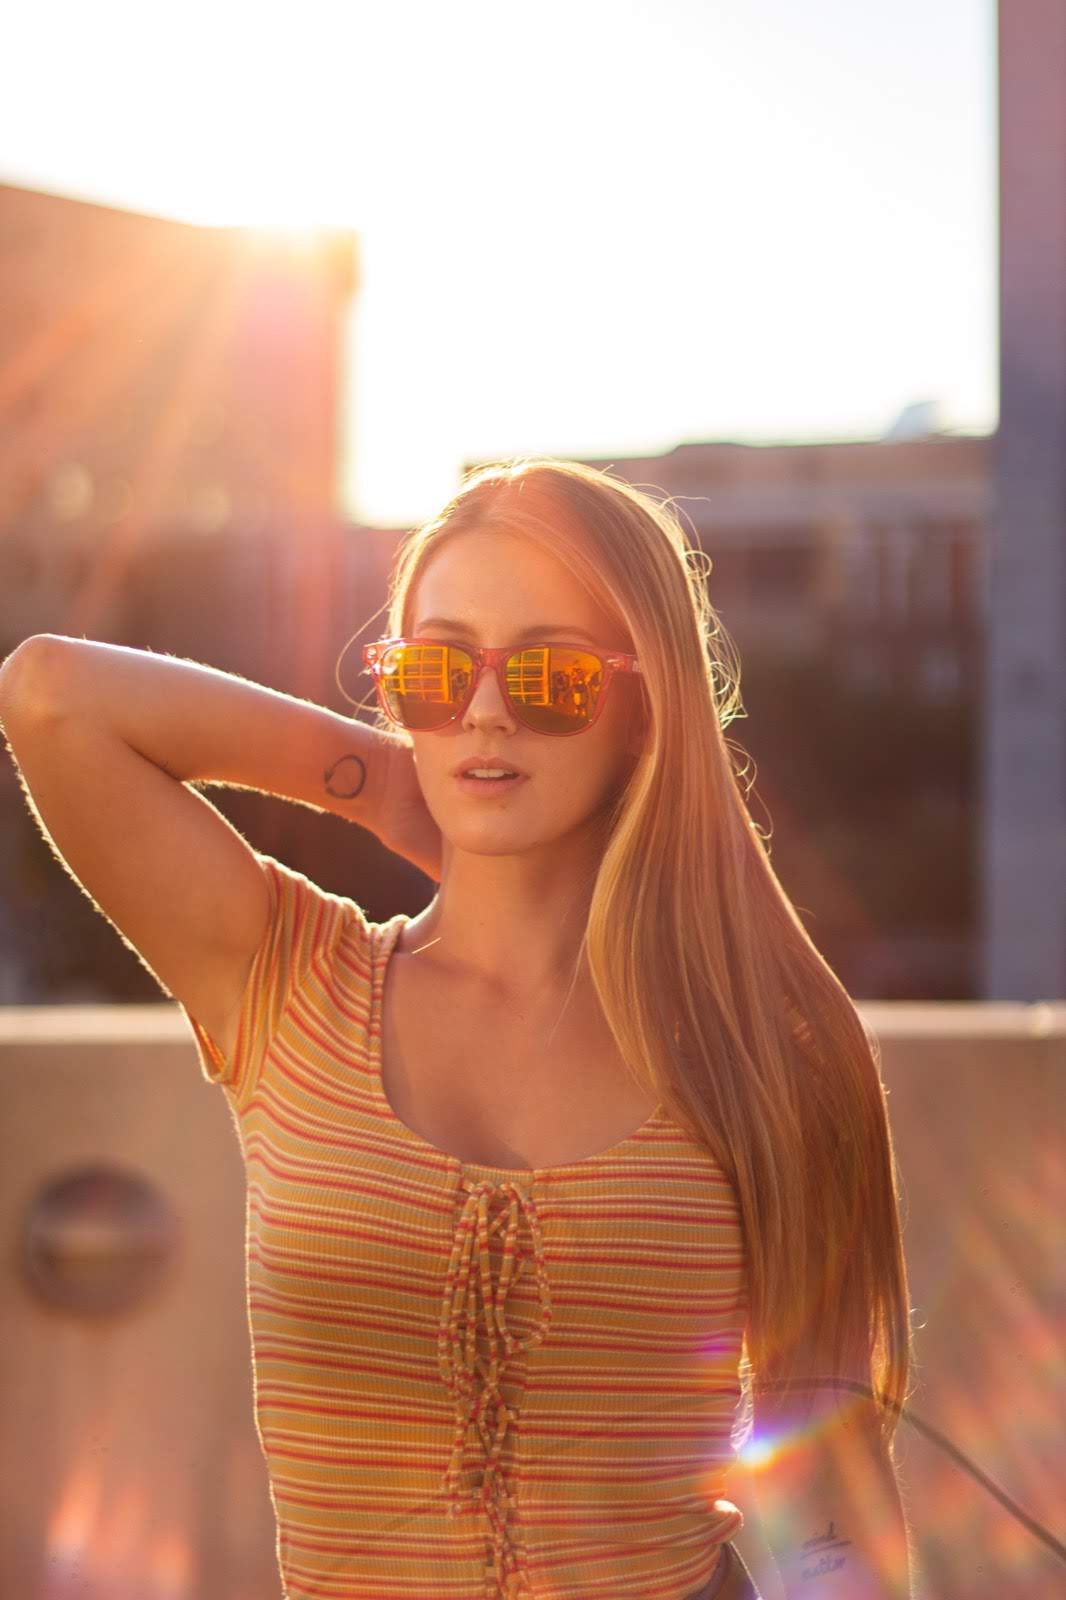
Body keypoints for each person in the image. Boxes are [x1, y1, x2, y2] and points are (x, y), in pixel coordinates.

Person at [0, 456, 916, 1599]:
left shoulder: (766, 1041)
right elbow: (50, 696)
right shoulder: (289, 981)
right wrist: (383, 782)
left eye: (547, 675)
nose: (485, 707)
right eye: (436, 671)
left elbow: (824, 1476)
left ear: (649, 705)